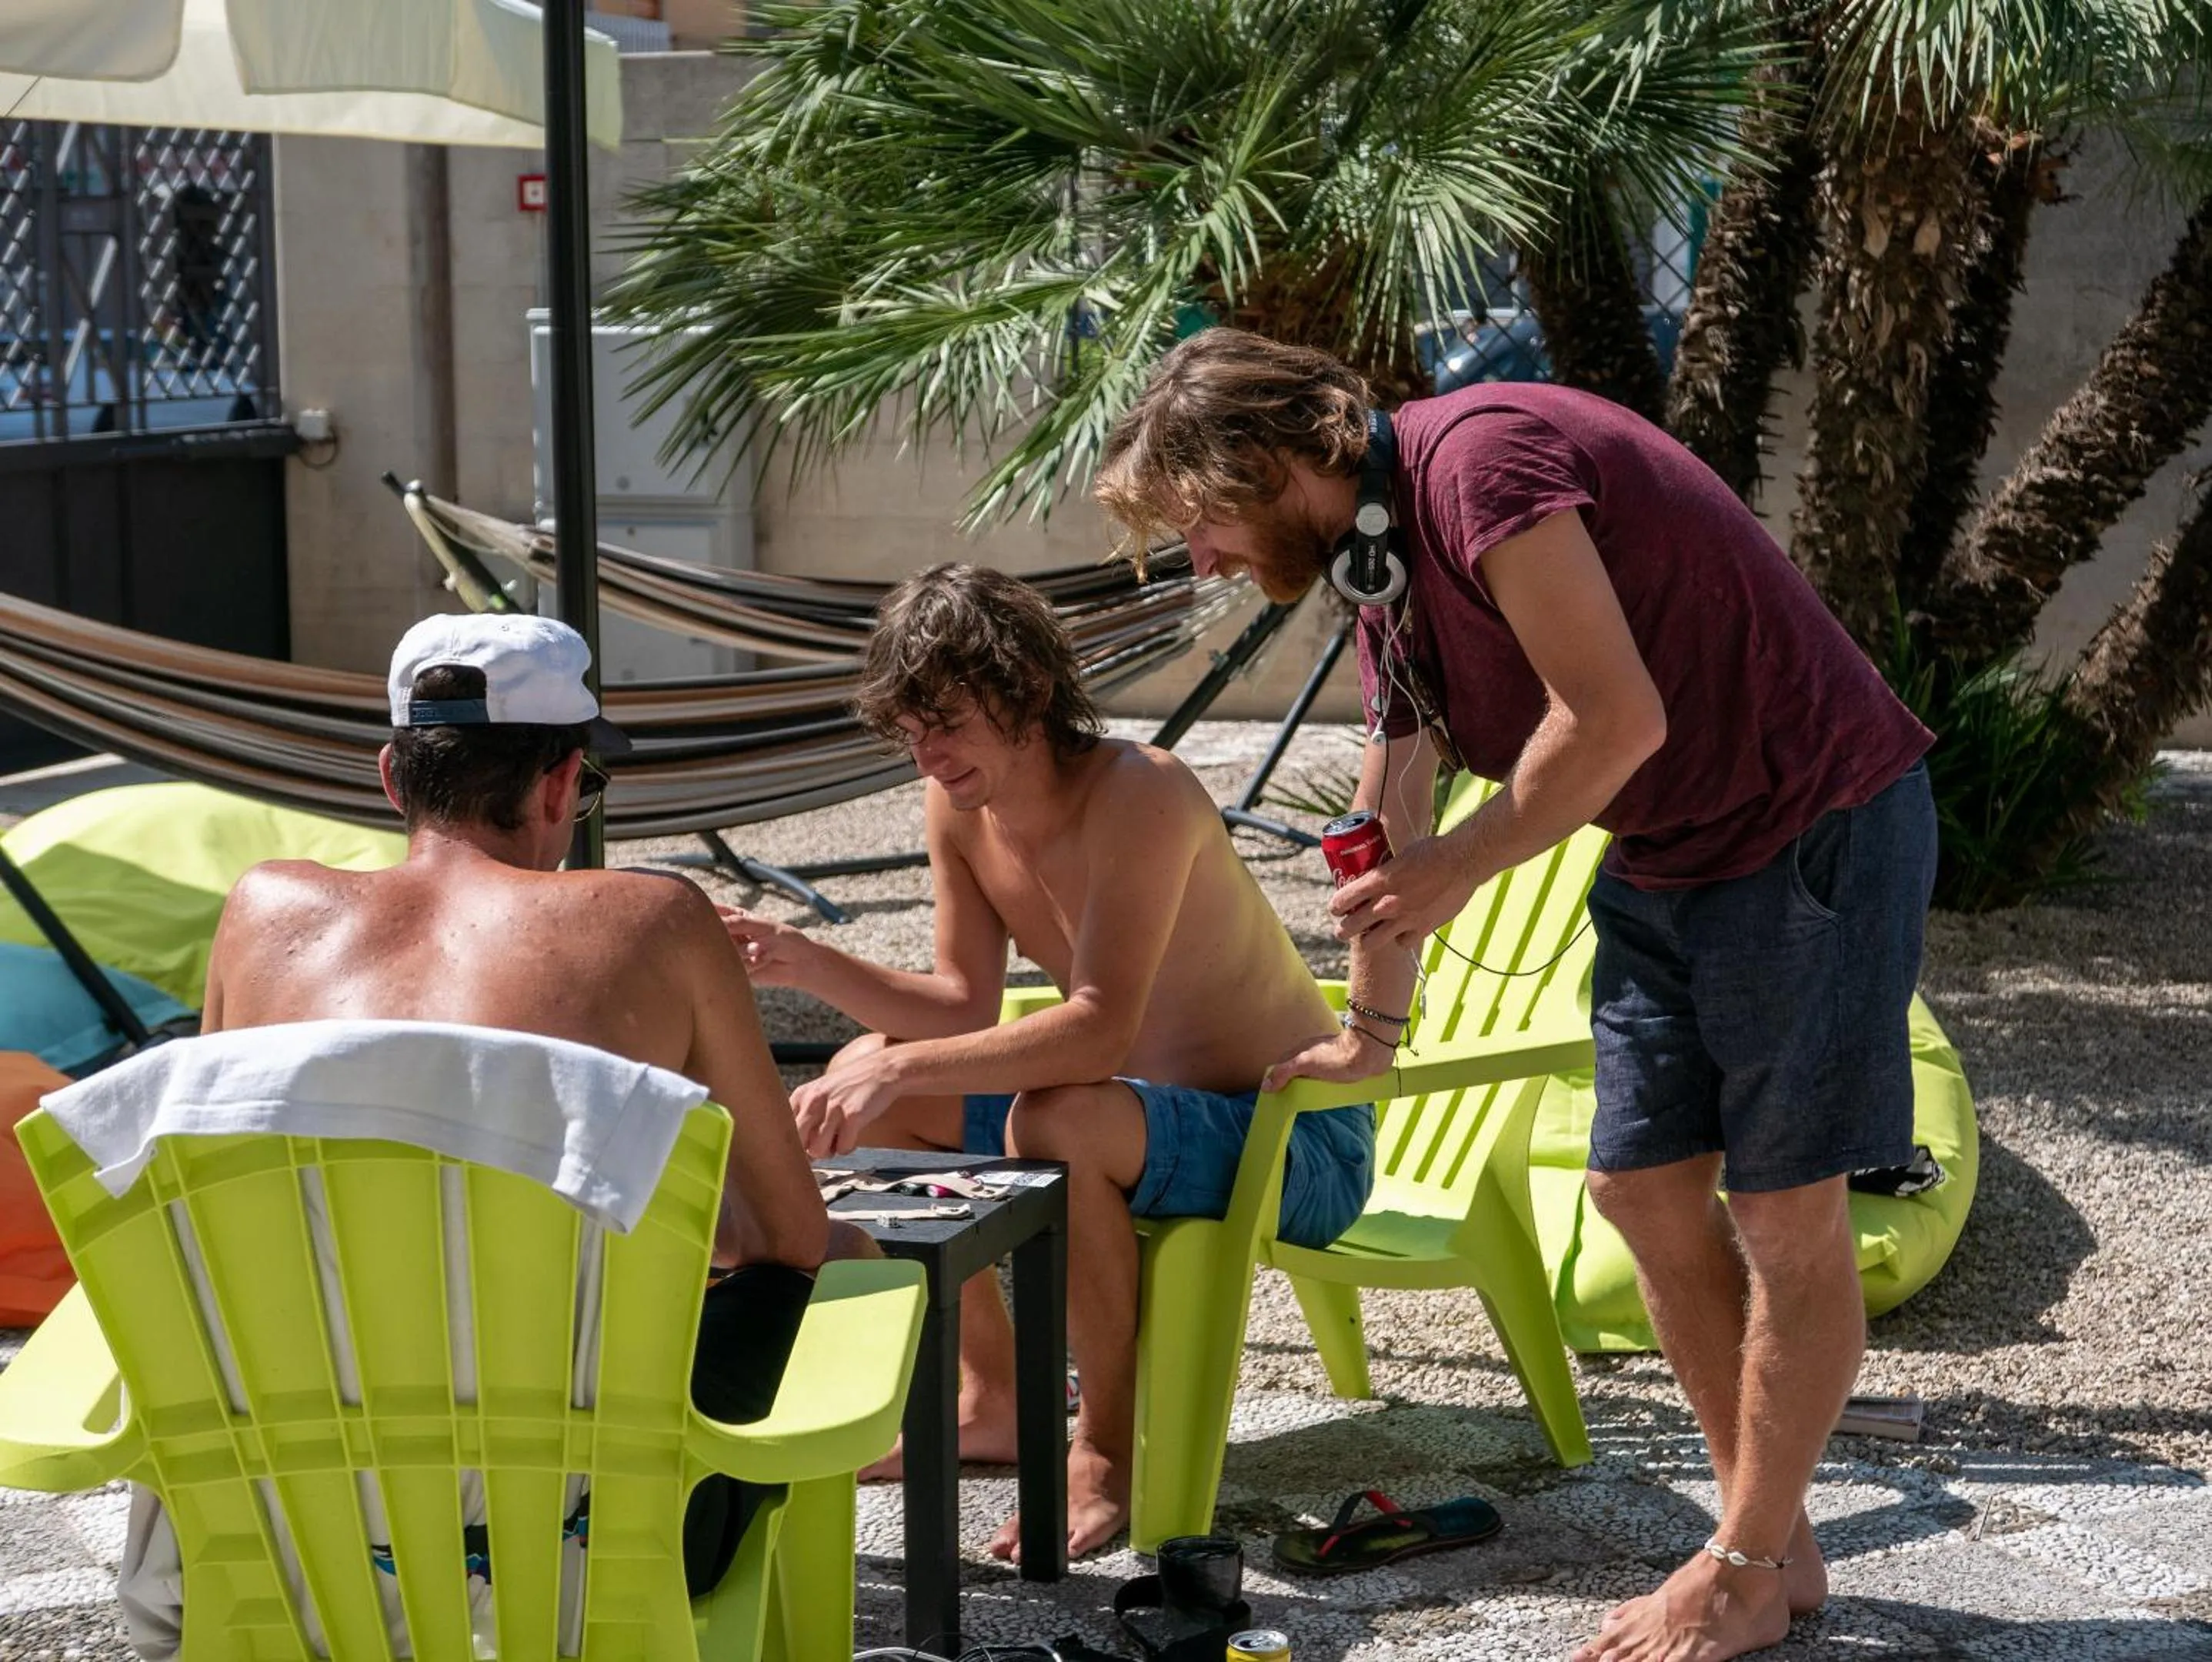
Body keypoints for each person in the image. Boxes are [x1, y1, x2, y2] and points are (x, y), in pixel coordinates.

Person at [1093, 330, 1937, 1662]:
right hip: (1668, 855)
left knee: (1782, 1213)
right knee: (1642, 1191)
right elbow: (1392, 793)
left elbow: (1611, 720)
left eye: (1198, 521)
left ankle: (1743, 1562)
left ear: (1270, 464)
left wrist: (1450, 878)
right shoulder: (1378, 553)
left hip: (1813, 827)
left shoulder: (1478, 463)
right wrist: (1369, 1030)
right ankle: (1770, 1544)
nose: (1199, 559)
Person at [115, 612, 849, 1657]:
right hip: (577, 1551)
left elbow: (225, 1196)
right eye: (585, 787)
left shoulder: (261, 912)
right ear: (558, 785)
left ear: (390, 776)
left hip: (280, 1535)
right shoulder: (655, 921)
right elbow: (785, 1237)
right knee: (814, 1280)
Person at [722, 563, 1377, 1560]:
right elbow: (958, 1005)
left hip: (1293, 1137)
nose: (927, 755)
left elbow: (1098, 1030)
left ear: (1023, 690)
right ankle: (993, 1393)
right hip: (1132, 1117)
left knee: (1046, 1114)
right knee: (878, 1080)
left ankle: (1103, 1448)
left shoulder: (1136, 790)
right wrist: (808, 963)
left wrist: (899, 1070)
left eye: (945, 723)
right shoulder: (959, 809)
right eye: (909, 730)